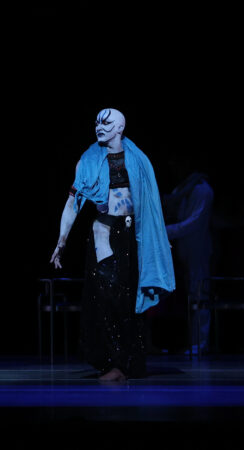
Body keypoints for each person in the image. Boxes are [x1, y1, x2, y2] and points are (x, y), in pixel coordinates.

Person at [50, 108, 175, 381]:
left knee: (129, 298)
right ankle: (113, 363)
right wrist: (62, 240)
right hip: (103, 233)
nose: (99, 126)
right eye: (96, 122)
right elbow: (74, 201)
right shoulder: (88, 160)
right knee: (105, 295)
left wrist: (157, 241)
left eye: (106, 122)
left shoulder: (139, 161)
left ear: (120, 128)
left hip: (132, 235)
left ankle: (127, 362)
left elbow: (151, 205)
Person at [162, 161, 214, 354]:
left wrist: (164, 231)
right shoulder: (182, 190)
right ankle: (193, 341)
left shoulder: (203, 190)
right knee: (189, 296)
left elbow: (194, 222)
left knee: (200, 294)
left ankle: (200, 342)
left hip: (198, 249)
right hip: (182, 248)